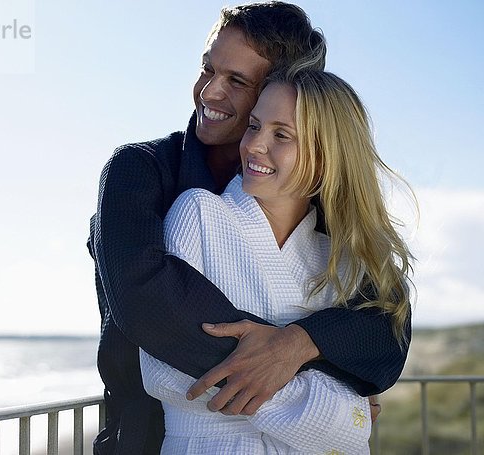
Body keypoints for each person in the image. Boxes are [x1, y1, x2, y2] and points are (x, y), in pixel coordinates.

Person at [88, 3, 410, 453]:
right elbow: (149, 304)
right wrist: (334, 400)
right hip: (150, 436)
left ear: (280, 87)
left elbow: (383, 329)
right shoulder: (140, 171)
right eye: (207, 69)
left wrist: (300, 343)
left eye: (237, 81)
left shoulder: (310, 195)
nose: (210, 92)